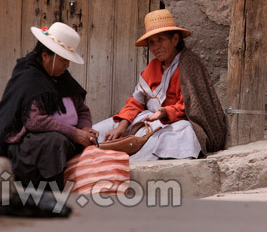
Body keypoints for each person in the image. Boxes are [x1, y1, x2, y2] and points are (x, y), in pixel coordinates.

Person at [93, 9, 226, 161]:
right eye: (151, 42)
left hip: (176, 122)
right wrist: (121, 126)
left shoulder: (189, 64)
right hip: (148, 120)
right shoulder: (153, 66)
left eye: (160, 39)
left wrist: (165, 112)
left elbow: (193, 105)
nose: (156, 47)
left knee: (183, 135)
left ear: (175, 40)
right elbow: (136, 102)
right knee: (97, 132)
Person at [0, 22, 98, 192]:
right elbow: (34, 121)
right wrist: (74, 133)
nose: (67, 66)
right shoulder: (29, 79)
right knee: (55, 143)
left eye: (68, 61)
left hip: (65, 138)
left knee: (85, 143)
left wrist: (85, 128)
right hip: (26, 142)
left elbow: (82, 110)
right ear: (45, 56)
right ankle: (49, 192)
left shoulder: (62, 78)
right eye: (64, 60)